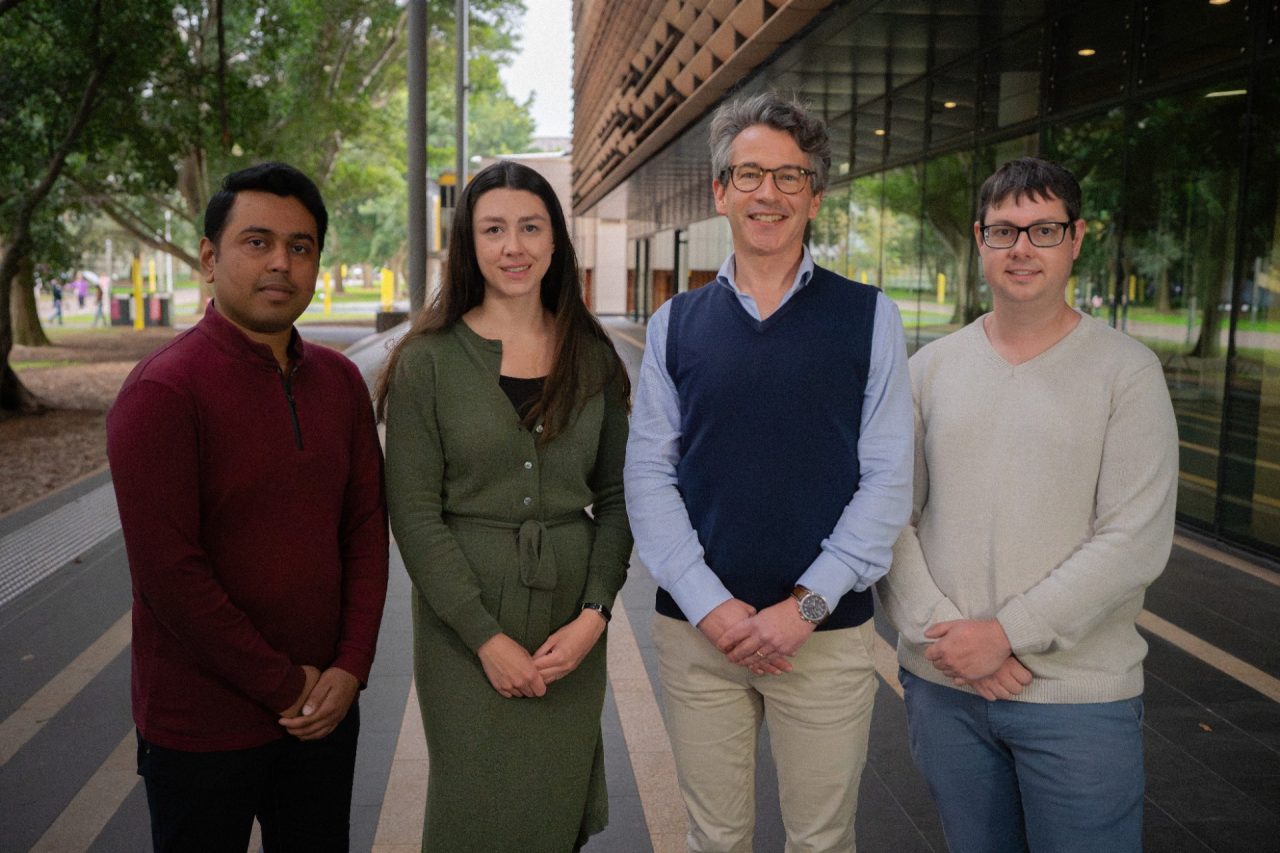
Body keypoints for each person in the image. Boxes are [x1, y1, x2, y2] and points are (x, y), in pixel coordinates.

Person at [624, 91, 913, 852]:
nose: (769, 193)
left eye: (791, 177)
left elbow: (888, 479)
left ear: (815, 197)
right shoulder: (675, 324)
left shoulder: (870, 317)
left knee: (822, 841)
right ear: (720, 191)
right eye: (750, 174)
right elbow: (649, 475)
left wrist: (805, 606)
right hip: (698, 638)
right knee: (714, 838)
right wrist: (710, 605)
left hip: (826, 637)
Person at [878, 157, 1179, 852]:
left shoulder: (1127, 372)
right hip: (946, 688)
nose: (1022, 248)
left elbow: (1133, 539)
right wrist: (943, 635)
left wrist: (1005, 634)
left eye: (1044, 230)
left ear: (1077, 239)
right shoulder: (928, 370)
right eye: (1004, 230)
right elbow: (890, 518)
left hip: (1077, 699)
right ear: (979, 240)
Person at [106, 162, 389, 852]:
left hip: (324, 712)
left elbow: (364, 532)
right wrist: (283, 683)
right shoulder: (163, 392)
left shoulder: (340, 382)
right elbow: (170, 576)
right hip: (201, 726)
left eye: (300, 246)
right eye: (257, 242)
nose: (281, 263)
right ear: (210, 258)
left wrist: (351, 666)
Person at [376, 160, 633, 852]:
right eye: (493, 229)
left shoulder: (592, 356)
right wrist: (485, 637)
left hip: (569, 626)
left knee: (553, 805)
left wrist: (594, 615)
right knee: (473, 802)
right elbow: (414, 514)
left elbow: (617, 499)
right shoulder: (428, 360)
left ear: (555, 241)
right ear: (468, 243)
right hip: (462, 629)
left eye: (530, 227)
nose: (513, 246)